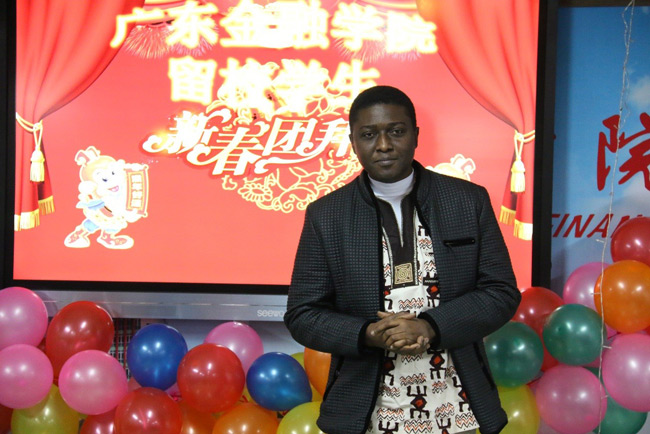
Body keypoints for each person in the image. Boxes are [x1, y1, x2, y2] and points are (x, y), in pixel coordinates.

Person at [284, 85, 520, 434]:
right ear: (353, 142)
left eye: (396, 131)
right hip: (366, 413)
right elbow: (303, 315)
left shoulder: (466, 201)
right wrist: (368, 333)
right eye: (368, 135)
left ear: (416, 135)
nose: (383, 145)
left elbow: (500, 292)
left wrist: (430, 326)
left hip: (458, 407)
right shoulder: (328, 215)